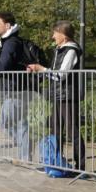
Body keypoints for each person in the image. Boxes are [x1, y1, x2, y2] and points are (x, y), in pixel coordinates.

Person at [27, 20, 85, 173]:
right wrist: (38, 70)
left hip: (68, 96)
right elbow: (53, 74)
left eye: (55, 33)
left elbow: (61, 75)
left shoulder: (71, 51)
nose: (53, 36)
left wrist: (42, 69)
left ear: (64, 35)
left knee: (72, 131)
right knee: (55, 130)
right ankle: (55, 162)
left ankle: (81, 168)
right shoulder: (59, 50)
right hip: (58, 95)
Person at [0, 11, 31, 161]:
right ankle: (25, 155)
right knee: (20, 123)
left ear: (7, 25)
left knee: (4, 122)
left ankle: (26, 149)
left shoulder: (10, 43)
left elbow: (3, 66)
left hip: (15, 89)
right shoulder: (11, 41)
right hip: (18, 88)